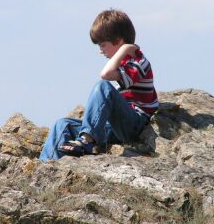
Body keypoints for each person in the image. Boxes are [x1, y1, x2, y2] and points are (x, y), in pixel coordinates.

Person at [39, 9, 158, 161]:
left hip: (134, 124)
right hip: (115, 125)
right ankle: (46, 167)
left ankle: (86, 140)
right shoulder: (122, 64)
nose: (100, 51)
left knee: (103, 86)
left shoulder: (139, 63)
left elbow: (105, 75)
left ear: (119, 41)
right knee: (63, 124)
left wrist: (124, 49)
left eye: (103, 45)